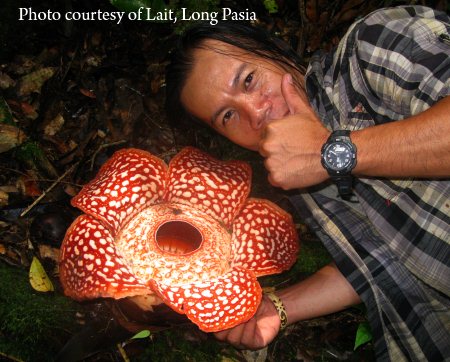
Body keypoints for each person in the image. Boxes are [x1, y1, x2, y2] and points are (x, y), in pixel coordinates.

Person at [165, 5, 450, 361]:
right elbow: (374, 261)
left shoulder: (371, 47)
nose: (255, 113)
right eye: (227, 116)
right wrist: (276, 309)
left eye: (248, 80)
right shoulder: (298, 180)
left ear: (274, 50)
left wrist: (332, 152)